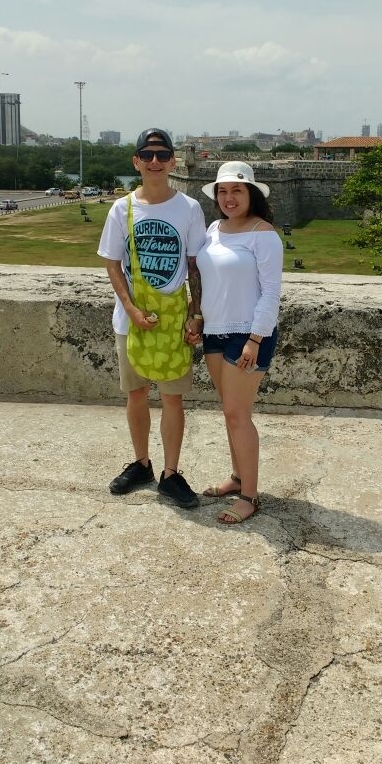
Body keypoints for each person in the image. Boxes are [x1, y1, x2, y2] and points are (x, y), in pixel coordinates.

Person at [97, 128, 206, 508]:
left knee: (172, 398)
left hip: (173, 320)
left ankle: (170, 473)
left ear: (173, 161)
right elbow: (113, 263)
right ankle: (142, 463)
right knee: (137, 394)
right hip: (130, 320)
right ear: (137, 162)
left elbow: (195, 266)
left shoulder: (189, 208)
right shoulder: (122, 208)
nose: (155, 161)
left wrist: (196, 315)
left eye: (162, 155)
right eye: (147, 155)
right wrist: (130, 309)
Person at [195, 161, 283, 525]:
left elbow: (271, 293)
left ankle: (249, 497)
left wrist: (254, 339)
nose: (229, 198)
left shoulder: (264, 234)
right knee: (229, 411)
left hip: (248, 334)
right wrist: (197, 318)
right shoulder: (214, 229)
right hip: (214, 331)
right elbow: (207, 281)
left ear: (251, 194)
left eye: (237, 190)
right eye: (223, 191)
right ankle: (237, 477)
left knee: (238, 414)